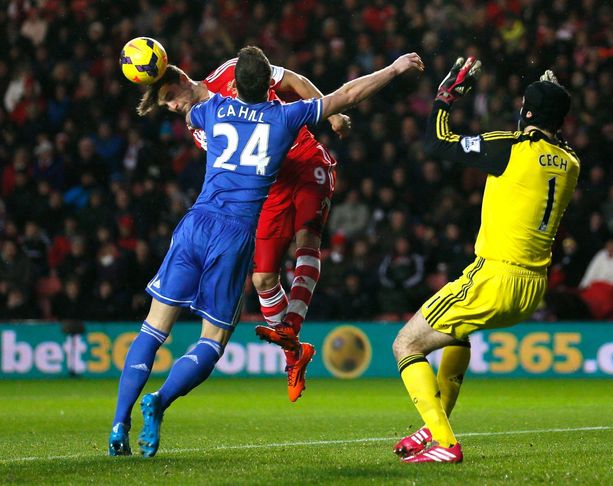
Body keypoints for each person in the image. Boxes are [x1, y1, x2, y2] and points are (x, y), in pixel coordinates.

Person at [108, 46, 424, 457]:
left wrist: (159, 80)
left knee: (153, 329)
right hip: (235, 233)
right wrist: (394, 68)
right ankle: (161, 399)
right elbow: (346, 94)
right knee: (213, 341)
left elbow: (192, 100)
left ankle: (118, 423)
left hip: (195, 225)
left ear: (235, 85)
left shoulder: (208, 112)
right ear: (267, 86)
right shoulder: (283, 116)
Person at [392, 58, 579, 463]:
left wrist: (445, 97)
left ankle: (444, 441)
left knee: (405, 344)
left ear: (526, 113)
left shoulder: (508, 147)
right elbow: (550, 135)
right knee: (456, 333)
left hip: (495, 275)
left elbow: (436, 142)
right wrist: (550, 100)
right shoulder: (570, 163)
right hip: (533, 288)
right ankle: (435, 424)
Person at [137, 57, 351, 403]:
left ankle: (289, 328)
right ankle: (294, 353)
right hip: (270, 189)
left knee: (307, 238)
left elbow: (294, 79)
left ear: (181, 78)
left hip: (305, 160)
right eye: (168, 106)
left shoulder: (231, 72)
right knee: (263, 279)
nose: (175, 107)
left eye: (171, 98)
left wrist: (333, 113)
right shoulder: (199, 124)